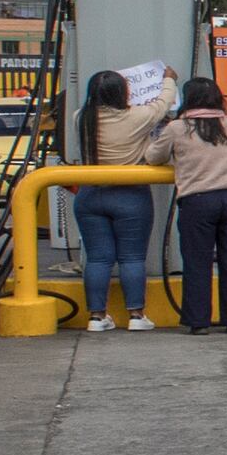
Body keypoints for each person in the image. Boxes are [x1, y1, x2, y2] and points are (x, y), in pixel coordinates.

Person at [134, 77, 227, 332]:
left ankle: (198, 321)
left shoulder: (177, 128)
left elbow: (153, 157)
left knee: (197, 262)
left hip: (198, 199)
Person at [67, 70, 160, 333]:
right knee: (132, 257)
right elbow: (163, 102)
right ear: (123, 93)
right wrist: (167, 79)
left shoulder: (80, 117)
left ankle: (97, 317)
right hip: (131, 195)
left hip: (90, 194)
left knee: (97, 259)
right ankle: (136, 315)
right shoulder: (139, 116)